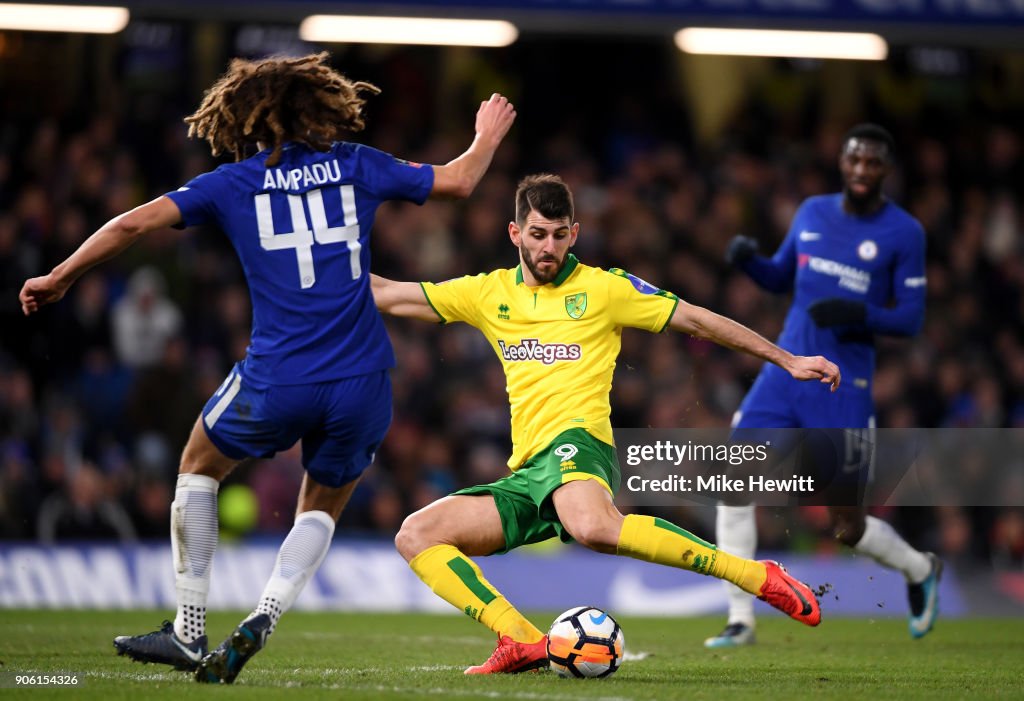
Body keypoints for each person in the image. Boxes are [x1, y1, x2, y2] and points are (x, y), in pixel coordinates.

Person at [19, 52, 516, 684]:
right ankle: (265, 615)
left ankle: (189, 631)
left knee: (199, 463)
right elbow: (460, 182)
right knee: (323, 504)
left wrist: (62, 275)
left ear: (250, 120)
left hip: (279, 376)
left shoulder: (233, 183)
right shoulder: (360, 165)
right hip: (363, 381)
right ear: (320, 109)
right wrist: (486, 137)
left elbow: (133, 223)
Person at [371, 173, 840, 674]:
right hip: (530, 474)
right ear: (515, 234)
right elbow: (390, 295)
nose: (547, 247)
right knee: (416, 535)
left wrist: (785, 359)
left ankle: (753, 574)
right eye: (536, 234)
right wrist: (305, 268)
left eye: (558, 234)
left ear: (574, 233)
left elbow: (698, 320)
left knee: (593, 526)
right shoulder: (488, 293)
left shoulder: (604, 289)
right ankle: (521, 639)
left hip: (580, 446)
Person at [705, 123, 942, 649]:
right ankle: (740, 617)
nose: (861, 170)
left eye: (872, 163)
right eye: (854, 160)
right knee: (733, 486)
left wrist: (858, 312)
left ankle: (920, 568)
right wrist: (748, 261)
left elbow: (910, 318)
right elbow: (779, 276)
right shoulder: (812, 211)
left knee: (846, 527)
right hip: (786, 371)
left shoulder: (904, 233)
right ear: (841, 161)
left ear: (886, 169)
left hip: (844, 385)